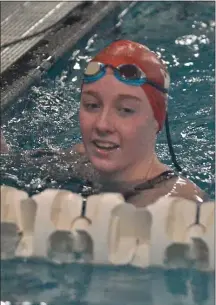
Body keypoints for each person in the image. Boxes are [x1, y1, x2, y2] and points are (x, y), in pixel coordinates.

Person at [1, 40, 208, 206]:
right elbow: (10, 164)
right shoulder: (83, 162)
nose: (102, 125)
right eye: (92, 105)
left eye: (125, 110)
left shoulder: (178, 204)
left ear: (157, 121)